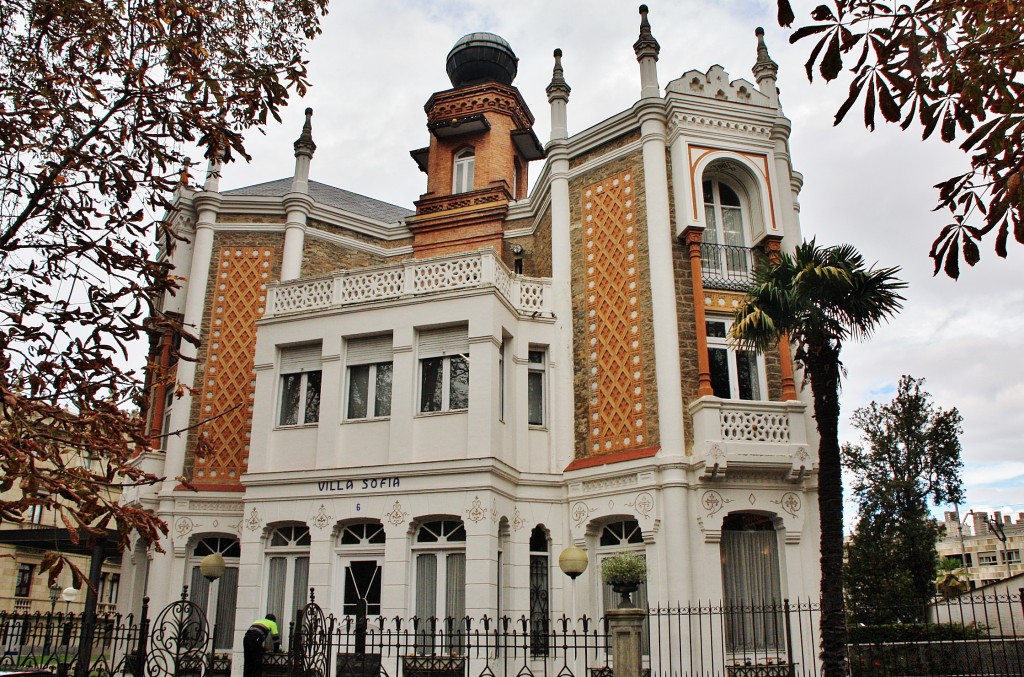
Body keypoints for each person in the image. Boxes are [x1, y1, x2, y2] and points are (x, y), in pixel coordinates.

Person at [243, 612, 281, 677]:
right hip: (255, 640)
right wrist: (276, 650)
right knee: (257, 663)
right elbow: (275, 638)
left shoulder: (257, 621)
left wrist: (261, 649)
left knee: (248, 662)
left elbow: (254, 635)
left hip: (246, 639)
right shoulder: (272, 623)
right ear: (273, 620)